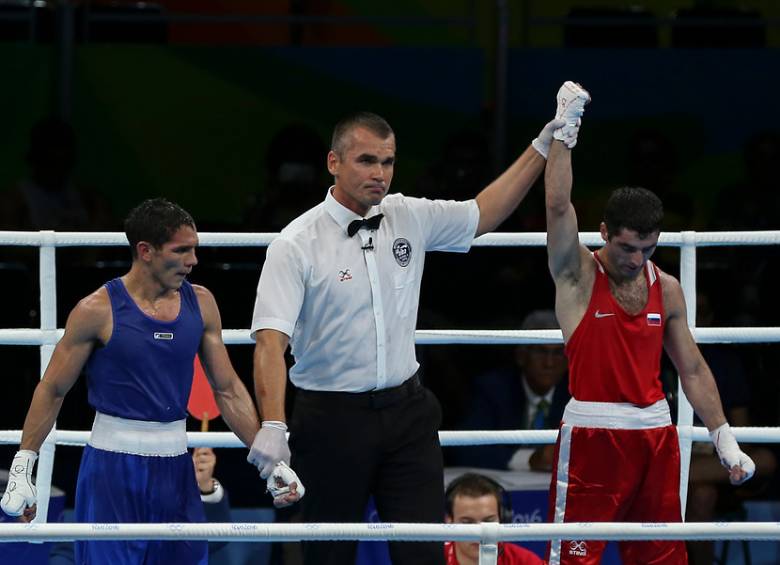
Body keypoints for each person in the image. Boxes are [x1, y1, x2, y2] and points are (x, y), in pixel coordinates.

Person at [247, 102, 580, 565]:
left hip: (407, 414)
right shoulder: (295, 244)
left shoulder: (408, 215)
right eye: (366, 160)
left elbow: (483, 212)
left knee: (422, 552)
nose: (380, 173)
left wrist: (541, 147)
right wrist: (273, 423)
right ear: (334, 163)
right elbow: (269, 342)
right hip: (330, 419)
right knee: (328, 556)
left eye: (387, 161)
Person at [543, 81, 755, 564]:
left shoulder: (669, 288)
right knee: (573, 559)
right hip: (594, 435)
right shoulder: (577, 273)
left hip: (656, 435)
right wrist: (564, 130)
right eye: (626, 248)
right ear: (604, 234)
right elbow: (557, 207)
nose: (636, 259)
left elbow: (694, 369)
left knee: (661, 558)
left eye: (647, 248)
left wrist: (724, 438)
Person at [1, 198, 262, 564]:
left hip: (175, 467)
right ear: (146, 251)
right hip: (112, 467)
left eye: (194, 249)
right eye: (181, 250)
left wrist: (270, 460)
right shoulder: (97, 310)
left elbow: (228, 388)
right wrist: (23, 465)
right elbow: (52, 388)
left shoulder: (202, 303)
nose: (193, 261)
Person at [46, 447, 232, 564]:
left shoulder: (171, 506)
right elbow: (64, 553)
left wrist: (203, 487)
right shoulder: (106, 497)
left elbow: (211, 540)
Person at [450, 309, 570, 471]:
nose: (549, 363)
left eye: (557, 353)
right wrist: (528, 460)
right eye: (541, 351)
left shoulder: (575, 394)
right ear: (521, 355)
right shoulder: (493, 390)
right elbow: (463, 449)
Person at [444, 472, 544, 565]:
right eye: (467, 523)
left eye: (488, 521)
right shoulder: (432, 559)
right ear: (450, 522)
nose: (479, 532)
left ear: (501, 518)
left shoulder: (525, 561)